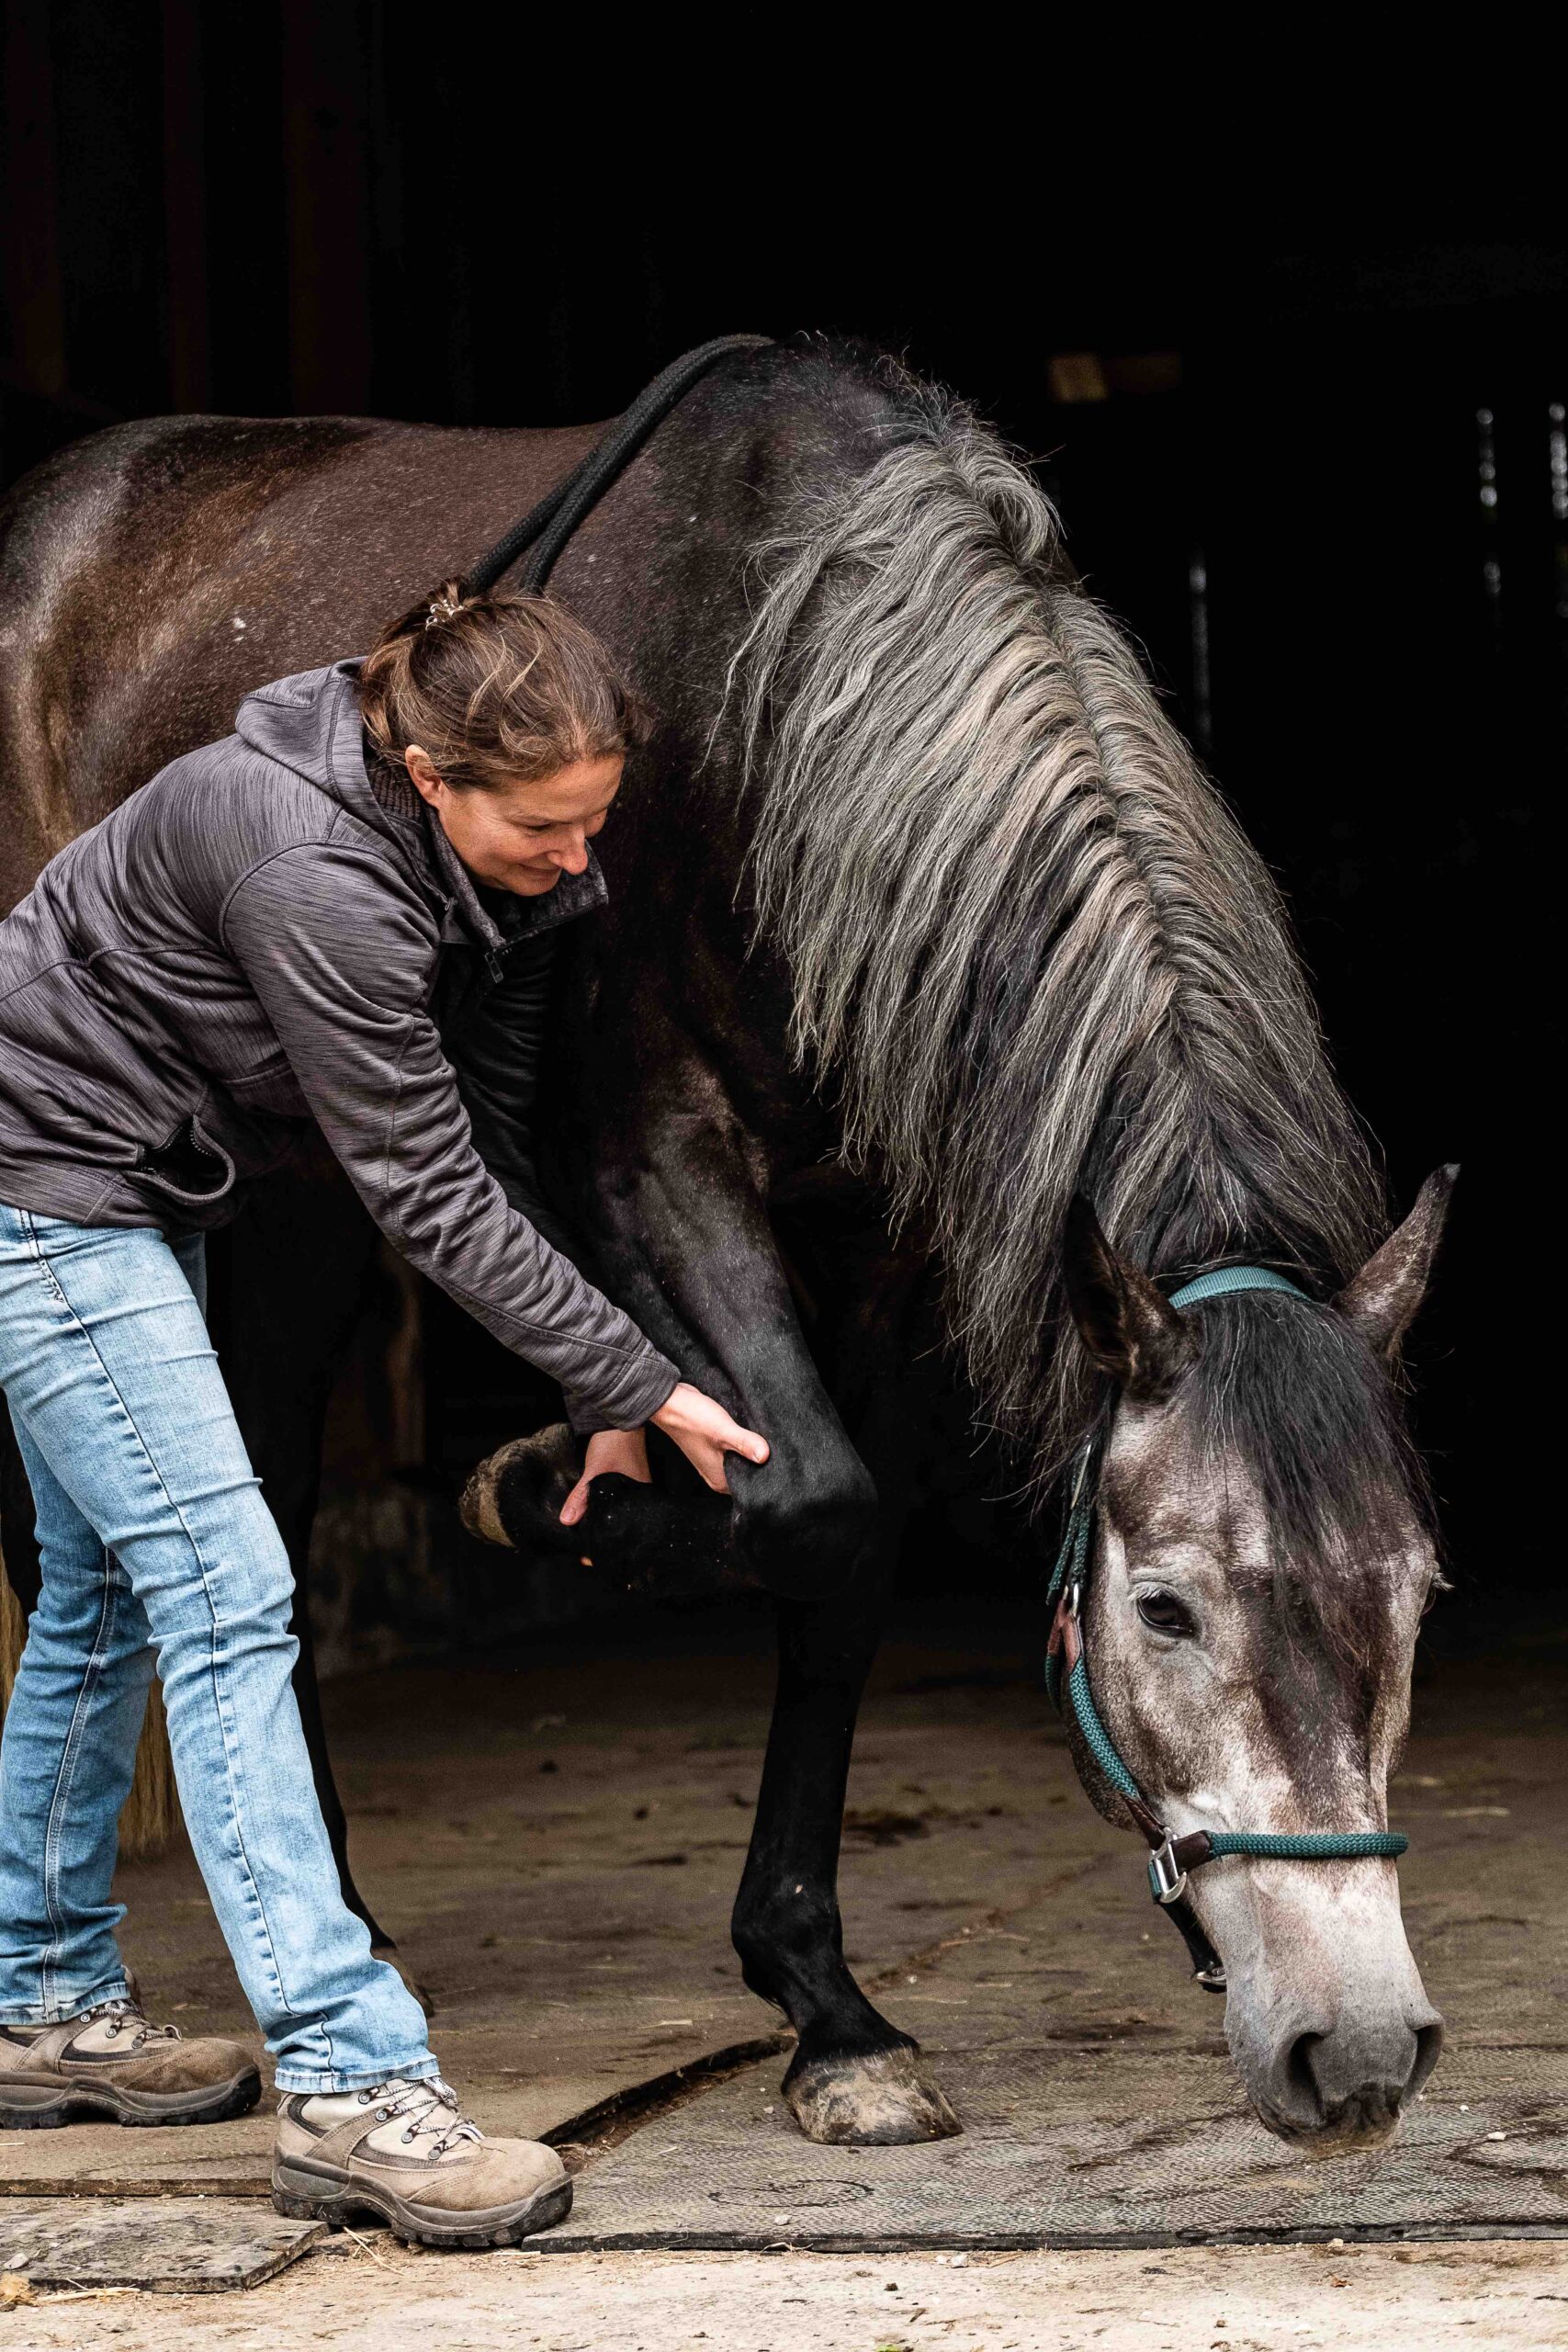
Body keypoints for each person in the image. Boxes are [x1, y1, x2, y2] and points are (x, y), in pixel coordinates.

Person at [0, 584, 768, 2246]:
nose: (580, 858)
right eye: (544, 828)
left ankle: (39, 2003)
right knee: (227, 1595)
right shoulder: (313, 868)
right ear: (428, 777)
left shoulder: (461, 840)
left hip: (118, 1182)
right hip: (44, 1189)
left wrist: (592, 1378)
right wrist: (639, 1374)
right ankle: (352, 2091)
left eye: (597, 820)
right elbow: (420, 1181)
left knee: (106, 1592)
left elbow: (484, 1122)